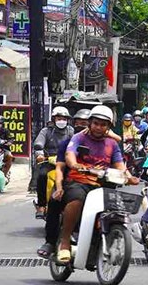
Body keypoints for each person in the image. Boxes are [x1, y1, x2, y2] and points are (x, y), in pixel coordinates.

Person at [56, 105, 136, 263]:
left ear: (108, 127)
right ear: (90, 123)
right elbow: (70, 154)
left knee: (115, 208)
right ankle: (64, 242)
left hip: (103, 184)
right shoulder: (79, 138)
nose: (99, 127)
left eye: (103, 124)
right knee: (76, 200)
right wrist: (75, 165)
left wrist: (129, 176)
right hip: (79, 181)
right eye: (96, 123)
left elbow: (120, 165)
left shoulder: (112, 144)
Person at [37, 110, 91, 259]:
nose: (82, 127)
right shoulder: (70, 141)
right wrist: (60, 187)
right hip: (71, 179)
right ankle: (52, 241)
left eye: (86, 124)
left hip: (97, 183)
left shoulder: (109, 143)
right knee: (54, 196)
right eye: (79, 123)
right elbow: (62, 166)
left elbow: (119, 165)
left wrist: (127, 175)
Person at [32, 106, 74, 218]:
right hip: (49, 161)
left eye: (64, 118)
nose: (61, 121)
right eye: (59, 118)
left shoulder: (71, 131)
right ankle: (41, 205)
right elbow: (38, 144)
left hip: (67, 162)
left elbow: (76, 145)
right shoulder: (46, 131)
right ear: (53, 119)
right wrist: (40, 154)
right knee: (42, 176)